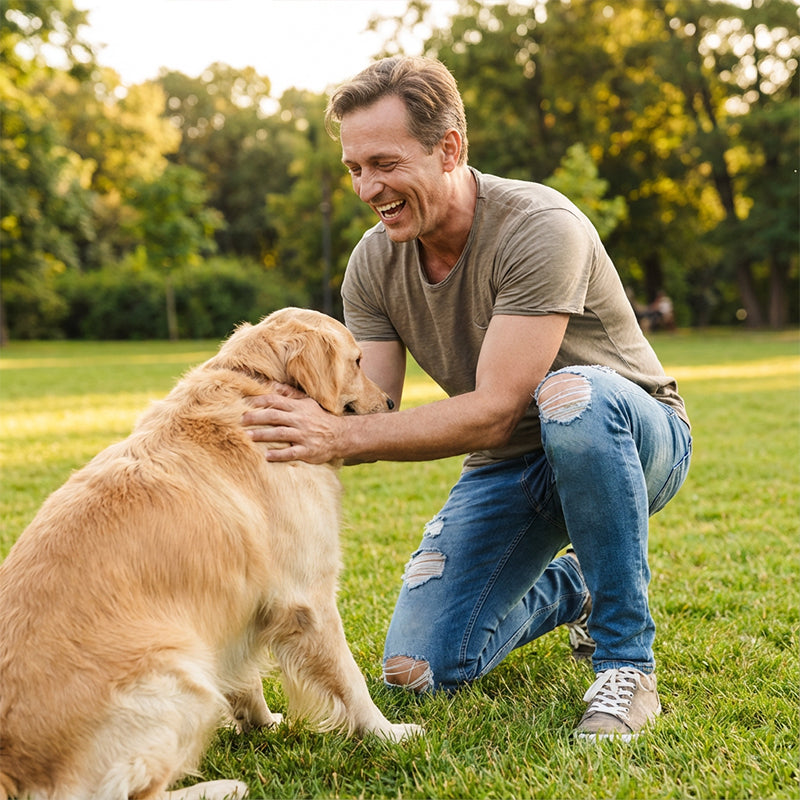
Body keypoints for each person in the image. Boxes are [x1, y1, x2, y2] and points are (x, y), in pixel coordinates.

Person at [242, 56, 692, 741]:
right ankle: (580, 586)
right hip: (508, 466)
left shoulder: (540, 226)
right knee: (416, 669)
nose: (369, 187)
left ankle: (626, 664)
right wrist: (250, 418)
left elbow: (496, 408)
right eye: (355, 168)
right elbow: (373, 412)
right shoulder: (372, 262)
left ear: (448, 147)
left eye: (384, 163)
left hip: (631, 434)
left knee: (568, 396)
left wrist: (337, 438)